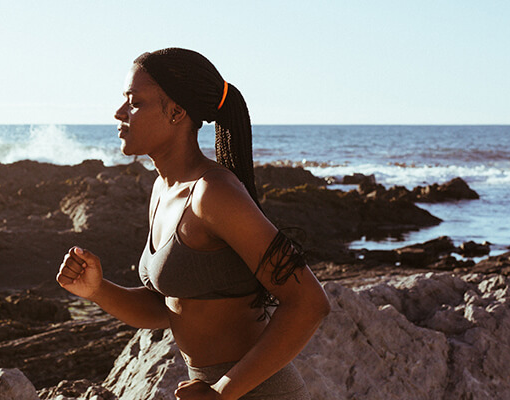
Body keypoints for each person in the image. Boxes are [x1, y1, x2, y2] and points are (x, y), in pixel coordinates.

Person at [56, 48, 331, 400]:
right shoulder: (163, 189)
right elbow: (168, 306)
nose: (119, 113)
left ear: (176, 112)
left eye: (134, 103)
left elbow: (309, 302)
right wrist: (96, 290)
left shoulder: (213, 193)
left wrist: (221, 392)